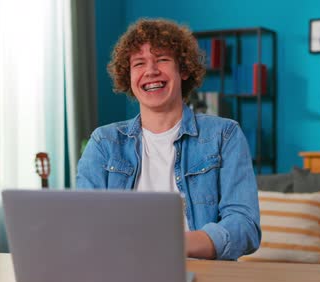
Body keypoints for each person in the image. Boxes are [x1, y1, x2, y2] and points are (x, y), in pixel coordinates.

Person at [76, 18, 260, 260]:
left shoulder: (224, 135)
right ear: (128, 77)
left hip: (204, 276)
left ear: (183, 70)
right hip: (121, 273)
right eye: (139, 63)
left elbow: (244, 226)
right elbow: (86, 225)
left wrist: (172, 244)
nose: (150, 71)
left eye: (162, 59)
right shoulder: (104, 142)